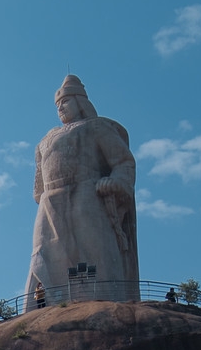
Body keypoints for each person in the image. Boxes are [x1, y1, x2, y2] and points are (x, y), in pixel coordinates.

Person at [23, 75, 139, 309]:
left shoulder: (96, 127)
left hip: (87, 196)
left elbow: (124, 162)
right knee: (41, 257)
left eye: (65, 102)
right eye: (57, 105)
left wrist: (115, 181)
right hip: (49, 205)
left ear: (80, 102)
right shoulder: (45, 141)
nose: (60, 108)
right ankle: (39, 307)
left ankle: (108, 301)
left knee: (96, 252)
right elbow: (37, 190)